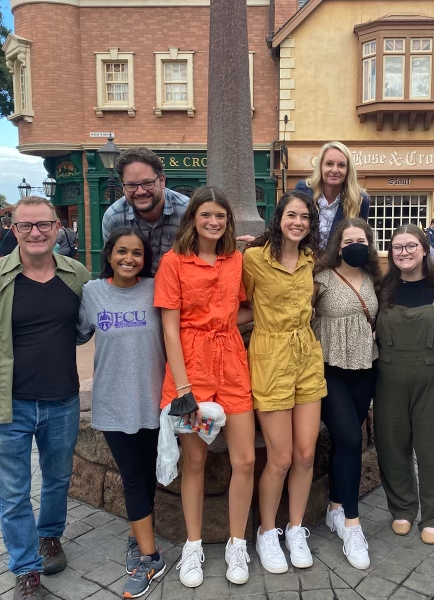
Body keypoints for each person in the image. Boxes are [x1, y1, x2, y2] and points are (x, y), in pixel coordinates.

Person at [0, 196, 90, 600]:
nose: (36, 233)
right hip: (6, 403)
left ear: (57, 227)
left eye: (44, 224)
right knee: (12, 492)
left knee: (58, 479)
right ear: (13, 230)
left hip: (62, 400)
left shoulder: (76, 275)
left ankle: (49, 537)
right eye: (26, 226)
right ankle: (26, 569)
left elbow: (92, 324)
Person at [154, 187, 256, 587]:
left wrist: (240, 319)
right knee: (194, 461)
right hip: (191, 369)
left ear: (228, 220)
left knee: (245, 459)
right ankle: (193, 544)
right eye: (206, 215)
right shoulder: (174, 261)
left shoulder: (235, 261)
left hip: (231, 362)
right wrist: (183, 389)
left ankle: (236, 543)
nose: (214, 223)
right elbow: (169, 327)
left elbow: (244, 306)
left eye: (221, 216)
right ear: (193, 218)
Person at [77, 228, 166, 598]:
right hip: (113, 401)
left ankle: (137, 533)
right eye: (121, 252)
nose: (129, 259)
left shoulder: (156, 289)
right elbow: (75, 333)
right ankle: (150, 557)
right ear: (109, 255)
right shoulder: (92, 293)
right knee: (131, 475)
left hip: (153, 399)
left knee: (147, 474)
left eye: (137, 253)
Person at [243, 191, 326, 573]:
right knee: (280, 456)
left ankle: (295, 528)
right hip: (270, 356)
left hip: (307, 355)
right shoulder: (254, 259)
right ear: (278, 219)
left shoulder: (312, 260)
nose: (299, 222)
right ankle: (267, 531)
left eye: (305, 216)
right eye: (292, 215)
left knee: (306, 453)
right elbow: (237, 303)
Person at [373, 224, 434, 545]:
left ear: (424, 249)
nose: (404, 252)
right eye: (397, 248)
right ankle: (403, 509)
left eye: (410, 246)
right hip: (388, 377)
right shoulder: (381, 289)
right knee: (392, 446)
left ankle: (433, 515)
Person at [312, 218, 381, 570]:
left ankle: (335, 508)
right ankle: (353, 525)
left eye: (363, 240)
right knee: (352, 441)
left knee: (344, 443)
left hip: (364, 368)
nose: (356, 244)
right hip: (330, 370)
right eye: (350, 239)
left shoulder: (373, 280)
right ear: (339, 244)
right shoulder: (320, 280)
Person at [102, 147, 189, 274]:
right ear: (123, 186)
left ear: (162, 180)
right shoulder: (113, 217)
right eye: (131, 185)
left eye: (148, 183)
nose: (140, 191)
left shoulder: (187, 212)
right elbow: (112, 268)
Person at [294, 141, 370, 249]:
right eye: (329, 164)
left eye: (341, 165)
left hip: (337, 263)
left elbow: (359, 242)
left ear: (348, 170)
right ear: (320, 166)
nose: (335, 170)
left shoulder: (360, 200)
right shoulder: (303, 189)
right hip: (303, 262)